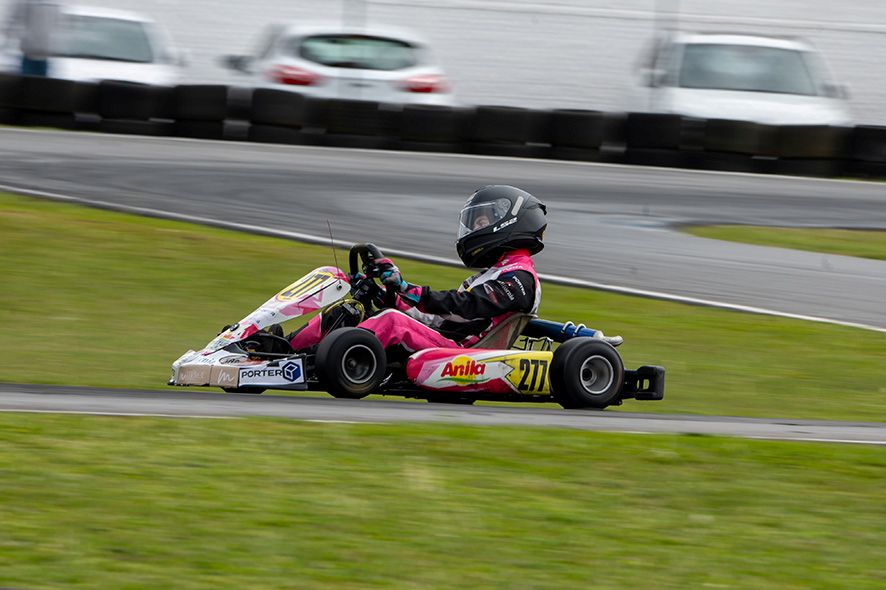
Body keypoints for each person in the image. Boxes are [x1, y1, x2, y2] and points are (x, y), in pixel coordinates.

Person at [288, 185, 620, 353]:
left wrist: (408, 289)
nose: (474, 228)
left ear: (509, 223)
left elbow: (464, 307)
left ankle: (314, 358)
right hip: (449, 339)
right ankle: (287, 347)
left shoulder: (518, 278)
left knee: (390, 322)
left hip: (465, 354)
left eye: (481, 221)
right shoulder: (493, 274)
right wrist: (390, 294)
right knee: (357, 307)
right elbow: (442, 319)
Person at [3, 0, 61, 77]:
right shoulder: (26, 3)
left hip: (41, 52)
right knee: (31, 80)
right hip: (31, 52)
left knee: (36, 81)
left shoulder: (51, 4)